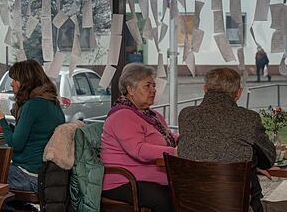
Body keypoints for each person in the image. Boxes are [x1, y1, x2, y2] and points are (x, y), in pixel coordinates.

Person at [178, 68, 276, 212]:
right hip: (234, 205)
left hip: (191, 205)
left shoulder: (185, 115)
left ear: (205, 89)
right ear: (239, 93)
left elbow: (208, 147)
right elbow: (269, 159)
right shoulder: (248, 118)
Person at [100, 63, 177, 212]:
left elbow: (169, 137)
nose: (153, 90)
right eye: (147, 86)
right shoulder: (122, 116)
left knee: (187, 191)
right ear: (130, 89)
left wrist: (189, 140)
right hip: (124, 181)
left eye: (154, 86)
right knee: (165, 200)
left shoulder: (152, 115)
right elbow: (139, 150)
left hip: (147, 179)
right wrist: (175, 152)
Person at [0, 60, 65, 193]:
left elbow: (16, 145)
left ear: (26, 82)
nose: (11, 83)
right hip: (46, 176)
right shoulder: (53, 103)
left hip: (28, 176)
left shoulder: (32, 105)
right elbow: (31, 135)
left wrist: (2, 121)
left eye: (15, 79)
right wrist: (4, 124)